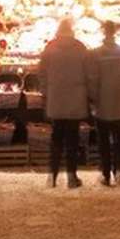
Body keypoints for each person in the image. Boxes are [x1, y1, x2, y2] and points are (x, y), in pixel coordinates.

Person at [38, 17, 89, 188]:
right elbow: (88, 73)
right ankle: (71, 177)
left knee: (56, 137)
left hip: (56, 98)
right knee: (72, 139)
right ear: (72, 31)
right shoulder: (81, 48)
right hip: (75, 99)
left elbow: (41, 74)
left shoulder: (50, 48)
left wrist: (47, 92)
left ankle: (51, 176)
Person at [87, 20, 120, 186]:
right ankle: (119, 171)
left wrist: (94, 99)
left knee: (103, 142)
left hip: (102, 105)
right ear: (115, 32)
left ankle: (106, 174)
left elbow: (92, 80)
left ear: (103, 32)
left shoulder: (95, 54)